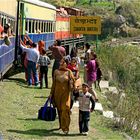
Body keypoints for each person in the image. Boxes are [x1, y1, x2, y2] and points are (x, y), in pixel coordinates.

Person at [49, 57, 75, 135]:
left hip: (66, 95)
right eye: (61, 62)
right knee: (59, 110)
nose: (61, 63)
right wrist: (51, 93)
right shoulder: (56, 72)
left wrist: (72, 82)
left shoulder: (69, 72)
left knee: (65, 109)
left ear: (67, 64)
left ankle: (66, 128)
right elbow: (54, 84)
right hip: (57, 94)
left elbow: (73, 84)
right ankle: (61, 125)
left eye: (63, 62)